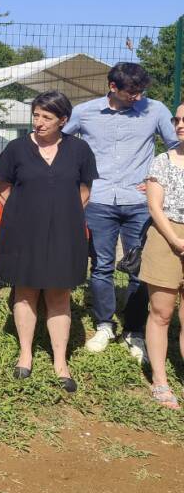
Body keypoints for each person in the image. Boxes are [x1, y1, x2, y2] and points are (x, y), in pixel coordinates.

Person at [63, 63, 178, 361]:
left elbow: (177, 147)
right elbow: (59, 143)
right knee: (101, 265)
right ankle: (104, 325)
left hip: (139, 203)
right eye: (132, 91)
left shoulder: (155, 110)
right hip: (99, 200)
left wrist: (157, 180)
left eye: (141, 91)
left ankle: (135, 330)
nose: (138, 97)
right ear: (113, 87)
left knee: (140, 268)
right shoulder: (86, 111)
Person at [0, 91, 97, 393]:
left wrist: (61, 217)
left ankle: (60, 361)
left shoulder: (80, 150)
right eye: (36, 115)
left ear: (63, 120)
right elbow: (4, 190)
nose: (38, 122)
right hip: (24, 232)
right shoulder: (15, 149)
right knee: (25, 291)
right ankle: (25, 354)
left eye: (47, 117)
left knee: (59, 295)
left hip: (66, 233)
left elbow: (84, 191)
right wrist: (29, 217)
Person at [140, 101, 184, 409]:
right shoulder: (162, 161)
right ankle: (160, 380)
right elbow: (155, 207)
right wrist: (177, 241)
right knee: (162, 312)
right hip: (167, 237)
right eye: (176, 119)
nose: (179, 124)